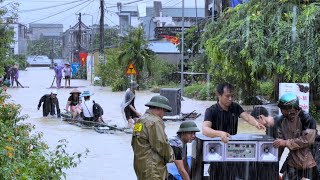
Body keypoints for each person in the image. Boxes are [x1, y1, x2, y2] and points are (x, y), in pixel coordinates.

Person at [273, 93, 318, 180]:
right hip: (292, 163)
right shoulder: (281, 121)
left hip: (310, 163)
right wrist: (275, 162)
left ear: (292, 108)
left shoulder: (307, 119)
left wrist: (286, 142)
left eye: (284, 109)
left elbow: (307, 140)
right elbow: (280, 144)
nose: (282, 111)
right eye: (282, 109)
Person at [131, 95, 175, 180]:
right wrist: (171, 156)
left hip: (140, 166)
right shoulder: (155, 122)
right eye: (164, 112)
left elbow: (134, 143)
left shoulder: (140, 120)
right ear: (161, 109)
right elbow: (161, 145)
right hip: (153, 168)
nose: (163, 115)